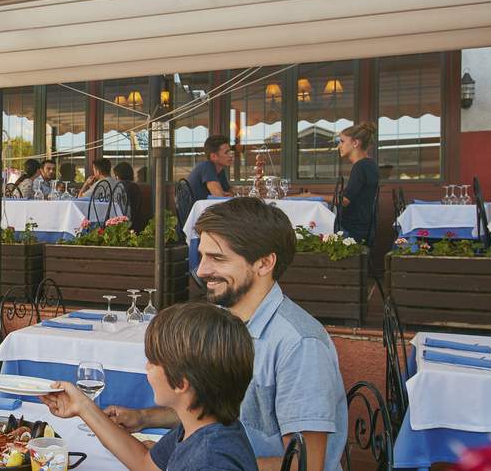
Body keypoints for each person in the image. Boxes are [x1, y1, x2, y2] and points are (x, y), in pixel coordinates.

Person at [102, 198, 347, 471]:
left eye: (217, 258)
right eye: (203, 255)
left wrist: (200, 462)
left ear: (264, 263)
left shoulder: (299, 344)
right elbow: (215, 411)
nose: (202, 270)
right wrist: (145, 417)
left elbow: (307, 465)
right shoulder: (227, 320)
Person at [41, 302, 257, 470]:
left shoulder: (211, 460)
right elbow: (145, 464)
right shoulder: (199, 427)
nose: (146, 367)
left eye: (153, 361)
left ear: (181, 383)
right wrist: (83, 407)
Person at [337, 122, 379, 243]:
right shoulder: (369, 164)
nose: (339, 146)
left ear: (355, 143)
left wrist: (313, 196)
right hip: (364, 227)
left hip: (353, 230)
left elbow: (345, 200)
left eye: (342, 141)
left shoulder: (360, 166)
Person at [187, 135, 234, 201]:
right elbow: (220, 198)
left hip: (208, 209)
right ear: (214, 156)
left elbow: (231, 195)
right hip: (198, 210)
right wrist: (224, 195)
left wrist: (226, 195)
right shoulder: (207, 167)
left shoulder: (220, 171)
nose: (231, 155)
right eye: (226, 153)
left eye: (230, 151)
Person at [113, 162, 152, 232]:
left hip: (126, 223)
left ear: (118, 175)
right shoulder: (135, 186)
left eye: (115, 175)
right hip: (138, 221)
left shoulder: (120, 186)